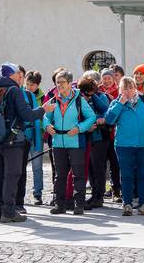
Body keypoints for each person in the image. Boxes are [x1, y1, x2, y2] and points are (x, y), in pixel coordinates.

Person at [0, 62, 54, 223]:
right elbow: (27, 115)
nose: (20, 77)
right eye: (19, 74)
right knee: (12, 175)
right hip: (13, 139)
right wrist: (43, 110)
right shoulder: (14, 90)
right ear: (12, 75)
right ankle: (8, 212)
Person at [105, 77, 144, 216]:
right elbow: (109, 120)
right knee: (126, 175)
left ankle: (143, 204)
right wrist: (120, 103)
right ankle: (127, 204)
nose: (128, 91)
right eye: (125, 88)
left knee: (143, 175)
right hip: (124, 145)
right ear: (120, 90)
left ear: (135, 88)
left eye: (131, 87)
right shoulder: (116, 102)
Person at [44, 70, 96, 215]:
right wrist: (47, 126)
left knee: (78, 175)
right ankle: (60, 205)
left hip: (76, 143)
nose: (59, 85)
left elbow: (91, 117)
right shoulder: (54, 100)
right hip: (58, 143)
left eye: (62, 82)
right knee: (60, 175)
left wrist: (79, 128)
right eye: (57, 82)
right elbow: (45, 116)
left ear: (69, 84)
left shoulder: (79, 99)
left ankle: (78, 204)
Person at [81, 72, 110, 209]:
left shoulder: (99, 96)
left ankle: (99, 196)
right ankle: (94, 194)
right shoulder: (81, 97)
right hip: (86, 137)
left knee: (98, 167)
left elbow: (105, 110)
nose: (87, 95)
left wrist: (96, 121)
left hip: (99, 137)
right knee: (91, 168)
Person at [98, 68, 121, 202]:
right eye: (104, 78)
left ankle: (116, 191)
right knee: (100, 164)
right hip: (100, 133)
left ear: (113, 79)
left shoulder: (118, 91)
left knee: (114, 163)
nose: (107, 81)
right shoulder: (97, 91)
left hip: (114, 134)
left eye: (109, 78)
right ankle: (100, 191)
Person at [23, 71, 45, 205]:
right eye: (27, 84)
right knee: (20, 166)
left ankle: (37, 193)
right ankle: (20, 193)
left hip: (37, 135)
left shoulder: (43, 98)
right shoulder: (21, 95)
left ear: (38, 85)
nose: (29, 87)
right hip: (24, 135)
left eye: (32, 85)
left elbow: (46, 116)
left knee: (37, 166)